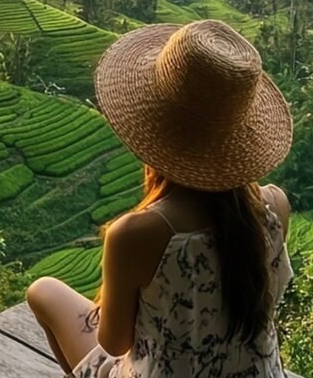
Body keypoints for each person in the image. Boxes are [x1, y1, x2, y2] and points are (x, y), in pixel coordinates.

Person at [27, 19, 294, 377]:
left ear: (152, 126)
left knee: (42, 290)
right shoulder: (275, 206)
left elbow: (114, 344)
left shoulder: (138, 233)